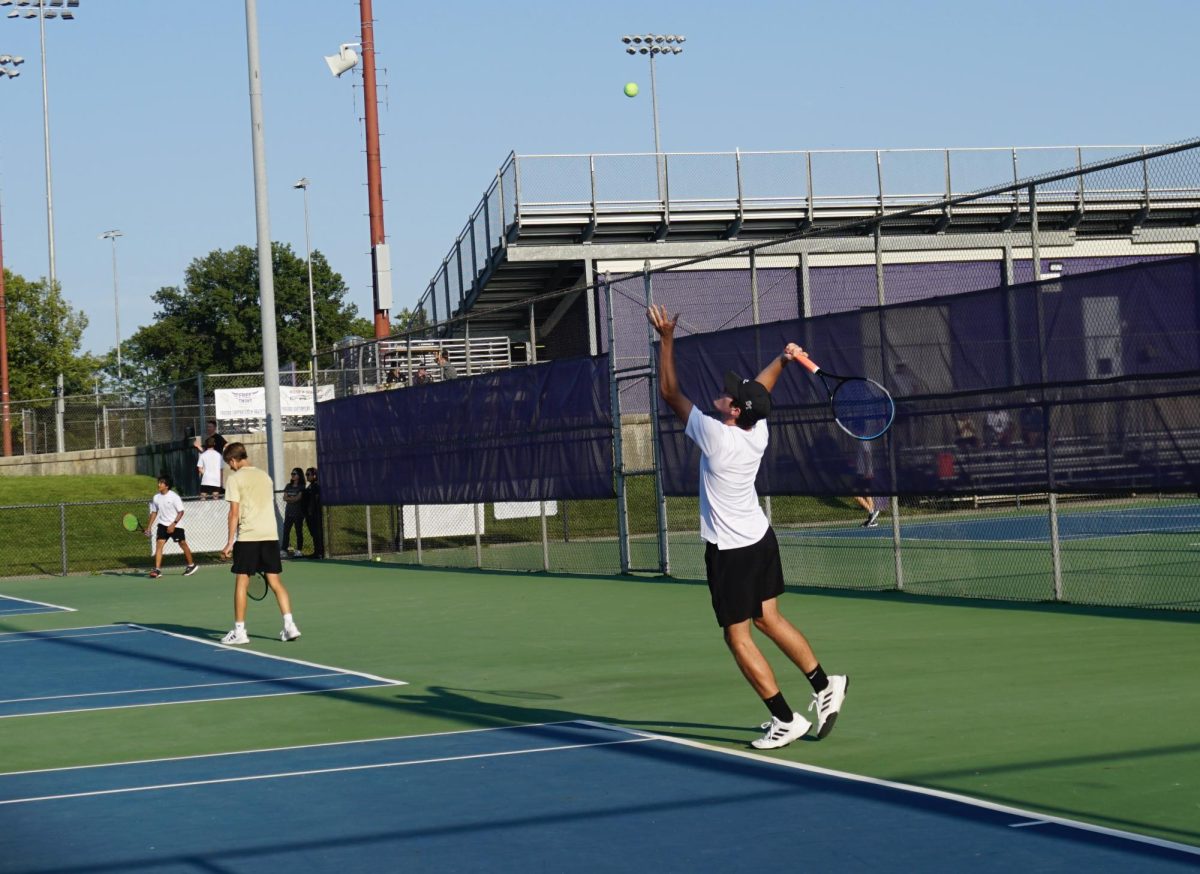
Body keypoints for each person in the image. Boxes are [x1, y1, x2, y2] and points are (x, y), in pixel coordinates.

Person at [647, 303, 848, 750]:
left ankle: (785, 718)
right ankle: (824, 684)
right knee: (769, 618)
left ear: (735, 411)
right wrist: (783, 359)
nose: (723, 393)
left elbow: (668, 392)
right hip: (761, 539)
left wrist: (665, 339)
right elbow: (762, 390)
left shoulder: (716, 436)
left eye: (730, 394)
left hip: (732, 551)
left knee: (737, 636)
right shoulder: (757, 431)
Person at [219, 442, 302, 645]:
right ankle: (290, 626)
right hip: (270, 535)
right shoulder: (265, 476)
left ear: (232, 460)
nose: (229, 467)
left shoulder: (234, 479)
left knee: (241, 580)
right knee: (275, 582)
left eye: (229, 463)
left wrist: (230, 542)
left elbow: (233, 513)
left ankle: (239, 631)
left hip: (249, 537)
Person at [145, 475, 198, 579]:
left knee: (182, 543)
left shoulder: (174, 497)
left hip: (176, 525)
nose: (158, 484)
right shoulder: (156, 497)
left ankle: (191, 565)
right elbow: (154, 512)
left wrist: (173, 524)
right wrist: (149, 527)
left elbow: (181, 512)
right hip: (162, 525)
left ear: (167, 486)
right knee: (159, 544)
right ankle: (157, 570)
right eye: (158, 482)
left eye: (161, 483)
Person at [280, 467, 306, 558]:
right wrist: (292, 499)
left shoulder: (302, 487)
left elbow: (298, 498)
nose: (292, 475)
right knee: (286, 531)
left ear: (299, 476)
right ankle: (284, 550)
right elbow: (284, 497)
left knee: (299, 531)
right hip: (289, 513)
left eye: (294, 474)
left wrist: (290, 499)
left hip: (298, 513)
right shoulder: (288, 486)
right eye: (292, 474)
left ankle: (299, 550)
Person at [304, 466, 324, 559]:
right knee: (314, 533)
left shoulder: (316, 486)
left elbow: (315, 500)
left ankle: (319, 552)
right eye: (306, 474)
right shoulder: (310, 486)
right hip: (309, 514)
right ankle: (317, 551)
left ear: (314, 475)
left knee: (317, 533)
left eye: (308, 474)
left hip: (315, 514)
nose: (307, 476)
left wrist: (311, 511)